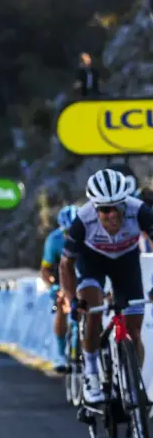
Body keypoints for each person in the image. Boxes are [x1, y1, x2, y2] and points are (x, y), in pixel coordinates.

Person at [59, 168, 153, 404]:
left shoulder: (140, 211)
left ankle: (133, 383)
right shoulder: (83, 220)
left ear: (126, 203)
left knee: (134, 332)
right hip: (93, 261)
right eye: (105, 210)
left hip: (127, 261)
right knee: (92, 310)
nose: (113, 215)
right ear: (95, 208)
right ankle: (91, 373)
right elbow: (65, 266)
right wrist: (72, 300)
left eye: (118, 207)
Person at [40, 205, 78, 372]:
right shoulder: (53, 240)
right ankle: (60, 352)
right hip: (62, 279)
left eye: (73, 231)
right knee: (62, 304)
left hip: (82, 276)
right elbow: (45, 270)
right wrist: (52, 285)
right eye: (66, 232)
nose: (69, 235)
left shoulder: (89, 235)